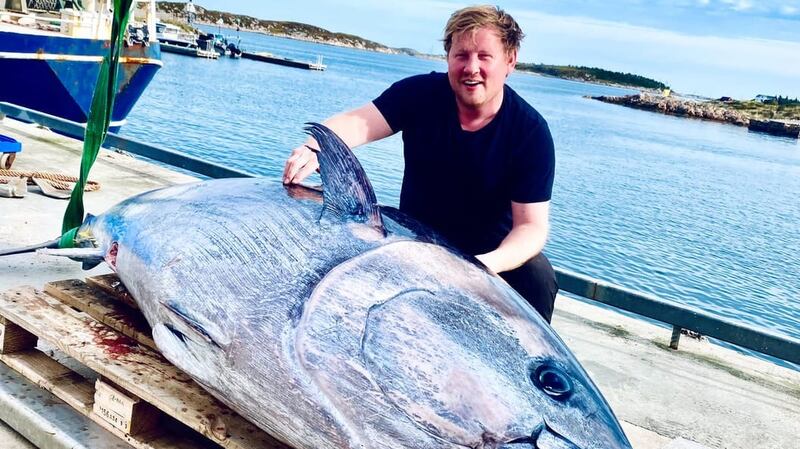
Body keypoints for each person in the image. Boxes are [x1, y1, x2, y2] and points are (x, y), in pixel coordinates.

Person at [283, 5, 558, 322]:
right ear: (448, 56)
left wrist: (481, 266)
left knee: (538, 276)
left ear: (510, 61)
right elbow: (359, 122)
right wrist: (314, 145)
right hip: (413, 238)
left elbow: (531, 228)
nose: (471, 67)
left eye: (485, 56)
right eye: (461, 55)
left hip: (486, 255)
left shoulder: (530, 132)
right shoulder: (420, 94)